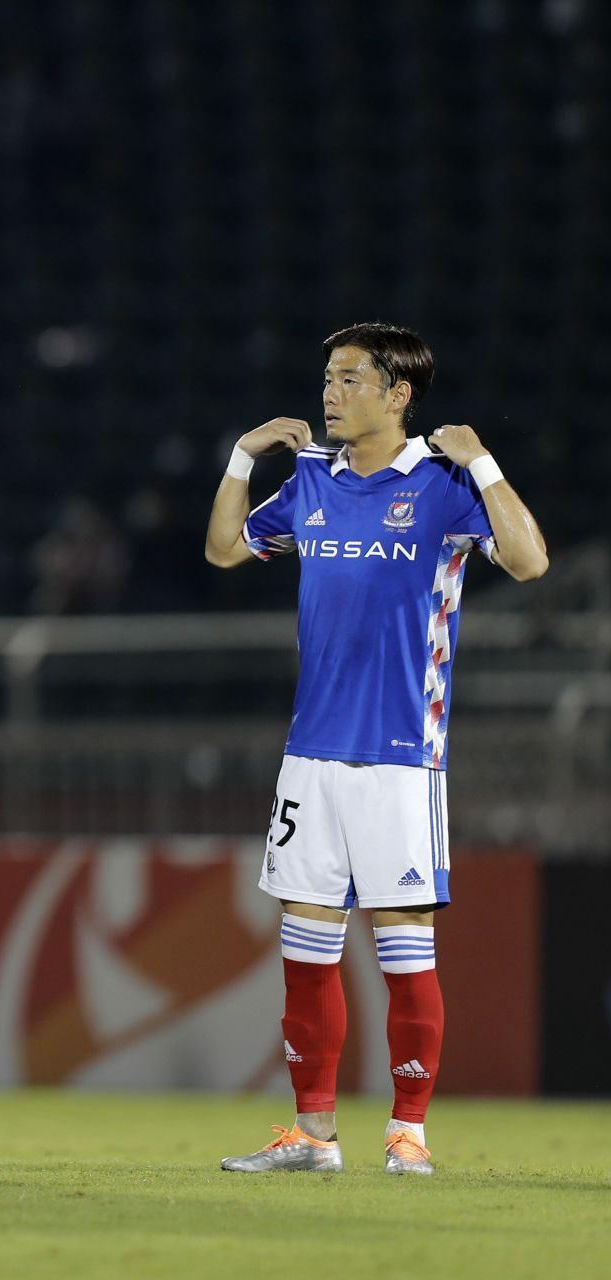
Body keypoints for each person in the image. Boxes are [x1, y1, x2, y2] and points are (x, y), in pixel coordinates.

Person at [205, 322, 548, 1177]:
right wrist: (245, 458)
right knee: (305, 948)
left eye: (349, 377)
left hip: (400, 756)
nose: (330, 391)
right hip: (310, 754)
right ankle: (313, 1136)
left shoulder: (439, 485)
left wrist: (485, 464)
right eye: (328, 375)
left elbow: (532, 561)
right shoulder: (311, 480)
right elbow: (223, 550)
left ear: (398, 394)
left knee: (403, 949)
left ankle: (409, 1134)